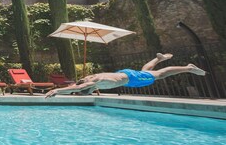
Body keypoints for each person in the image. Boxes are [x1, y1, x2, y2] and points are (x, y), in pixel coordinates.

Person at [45, 53, 206, 98]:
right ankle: (158, 58)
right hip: (125, 77)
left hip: (129, 79)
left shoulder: (93, 83)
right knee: (147, 71)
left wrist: (57, 91)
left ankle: (187, 68)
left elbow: (77, 87)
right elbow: (77, 85)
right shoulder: (92, 78)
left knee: (159, 75)